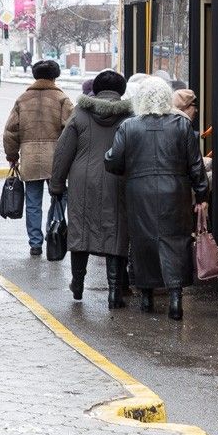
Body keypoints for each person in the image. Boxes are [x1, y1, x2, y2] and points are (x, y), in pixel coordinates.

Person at [104, 76, 210, 321]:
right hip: (175, 191)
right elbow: (195, 164)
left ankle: (146, 297)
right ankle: (175, 298)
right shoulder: (181, 125)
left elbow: (113, 161)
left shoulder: (129, 127)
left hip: (139, 193)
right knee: (176, 240)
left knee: (143, 242)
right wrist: (202, 194)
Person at [51, 70, 133, 309]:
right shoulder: (130, 116)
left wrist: (57, 185)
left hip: (82, 182)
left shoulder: (80, 114)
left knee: (80, 232)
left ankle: (77, 285)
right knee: (117, 232)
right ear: (121, 90)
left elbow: (63, 151)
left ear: (96, 89)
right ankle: (114, 293)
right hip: (118, 180)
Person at [3, 59, 74, 255]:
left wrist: (12, 155)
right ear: (55, 76)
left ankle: (35, 243)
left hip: (30, 158)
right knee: (59, 196)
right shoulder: (62, 99)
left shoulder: (23, 99)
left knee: (33, 201)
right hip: (56, 159)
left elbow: (10, 131)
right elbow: (72, 130)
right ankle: (53, 232)